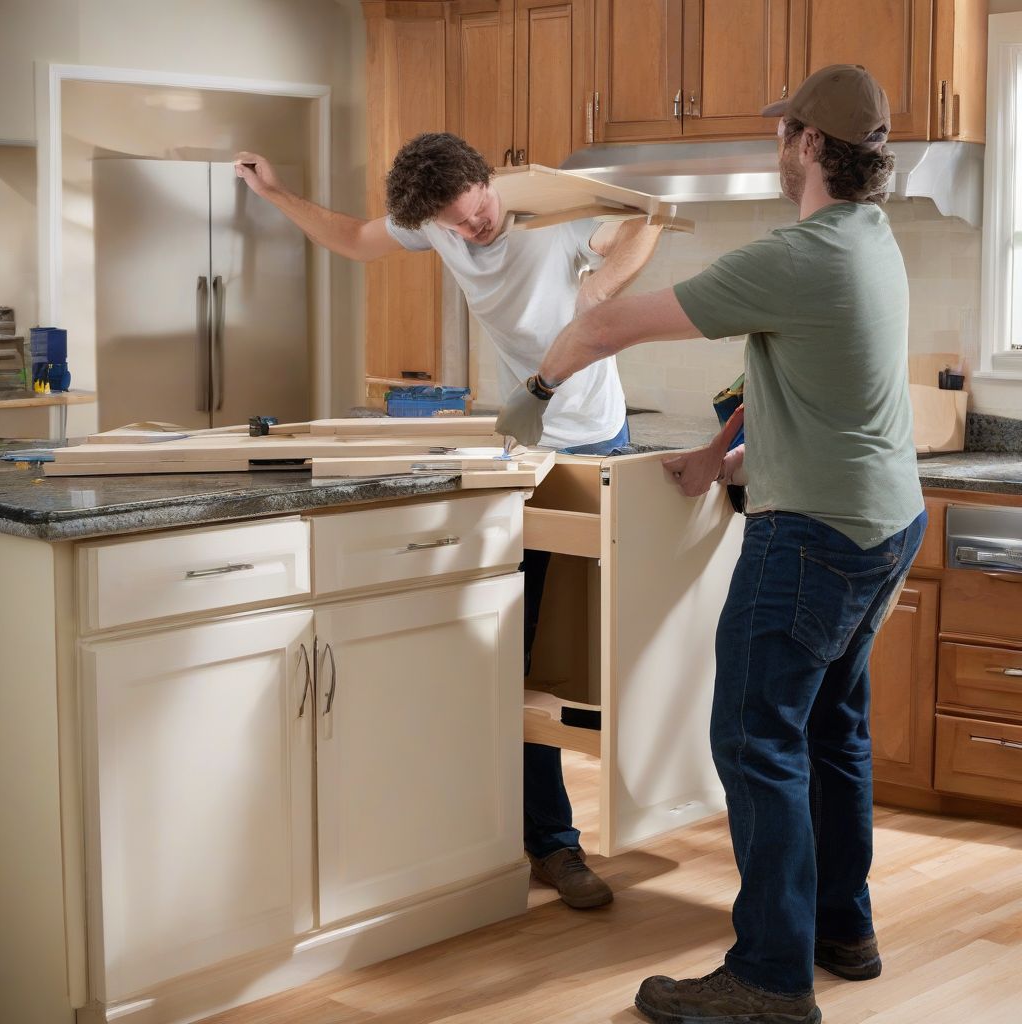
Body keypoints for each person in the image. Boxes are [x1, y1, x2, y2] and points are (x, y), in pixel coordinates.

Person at [497, 65, 927, 1023]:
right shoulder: (869, 240)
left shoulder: (800, 254)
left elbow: (605, 323)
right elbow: (781, 369)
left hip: (814, 532)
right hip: (886, 522)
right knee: (830, 731)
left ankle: (771, 977)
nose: (778, 147)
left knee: (755, 739)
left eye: (786, 134)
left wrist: (529, 401)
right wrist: (714, 451)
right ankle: (841, 929)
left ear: (812, 145)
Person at [235, 132, 664, 910]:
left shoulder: (551, 209)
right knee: (520, 656)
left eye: (478, 214)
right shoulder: (436, 220)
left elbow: (640, 225)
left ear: (487, 180)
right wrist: (273, 194)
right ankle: (551, 843)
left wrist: (600, 290)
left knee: (608, 653)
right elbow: (357, 240)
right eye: (457, 227)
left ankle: (647, 815)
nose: (474, 232)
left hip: (599, 441)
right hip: (523, 450)